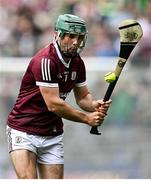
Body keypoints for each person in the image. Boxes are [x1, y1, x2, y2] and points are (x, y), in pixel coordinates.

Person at [6, 14, 112, 179]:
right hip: (24, 129)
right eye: (71, 36)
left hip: (52, 133)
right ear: (57, 35)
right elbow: (54, 104)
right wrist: (87, 118)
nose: (76, 42)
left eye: (79, 37)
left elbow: (83, 97)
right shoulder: (46, 61)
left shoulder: (77, 62)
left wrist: (94, 105)